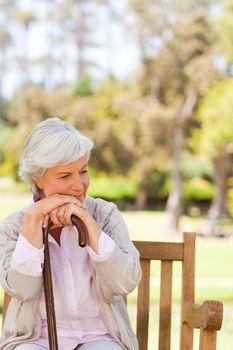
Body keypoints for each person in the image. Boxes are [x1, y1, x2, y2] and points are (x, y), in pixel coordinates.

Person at [0, 117, 141, 350]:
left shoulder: (105, 215)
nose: (79, 185)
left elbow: (123, 283)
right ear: (38, 178)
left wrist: (88, 222)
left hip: (100, 336)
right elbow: (22, 289)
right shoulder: (14, 227)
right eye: (65, 176)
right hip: (35, 340)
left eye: (83, 171)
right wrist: (35, 221)